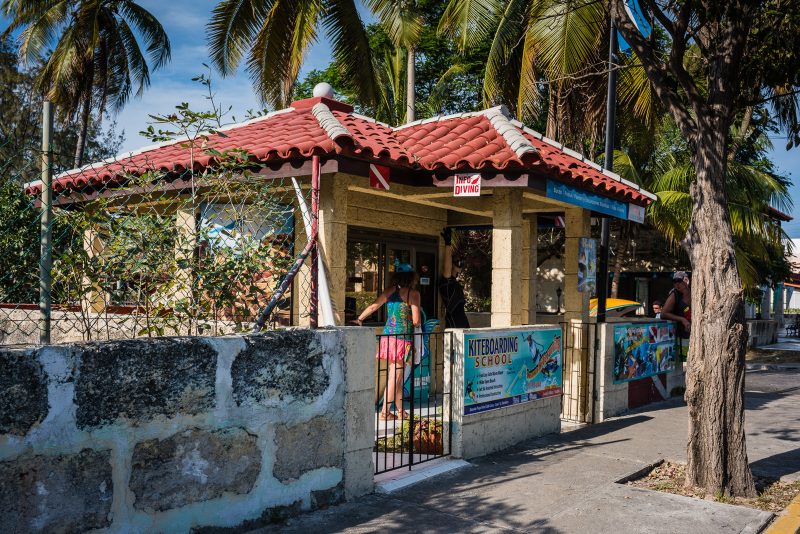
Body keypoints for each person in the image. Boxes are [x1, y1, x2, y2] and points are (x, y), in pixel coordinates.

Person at [355, 261, 421, 421]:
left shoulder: (391, 291)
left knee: (396, 375)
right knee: (396, 377)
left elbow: (373, 307)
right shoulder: (413, 294)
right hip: (402, 339)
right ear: (412, 278)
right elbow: (416, 321)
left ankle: (399, 411)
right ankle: (385, 412)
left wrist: (359, 319)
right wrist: (412, 316)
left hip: (387, 338)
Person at [439, 228, 470, 328]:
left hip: (463, 321)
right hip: (453, 322)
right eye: (458, 262)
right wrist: (448, 244)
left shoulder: (455, 283)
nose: (460, 264)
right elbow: (446, 268)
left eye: (462, 263)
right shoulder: (447, 283)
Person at [662, 271, 691, 337]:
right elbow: (663, 314)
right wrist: (682, 319)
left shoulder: (695, 291)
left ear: (686, 280)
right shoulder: (674, 295)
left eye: (679, 281)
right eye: (674, 281)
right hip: (681, 335)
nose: (677, 284)